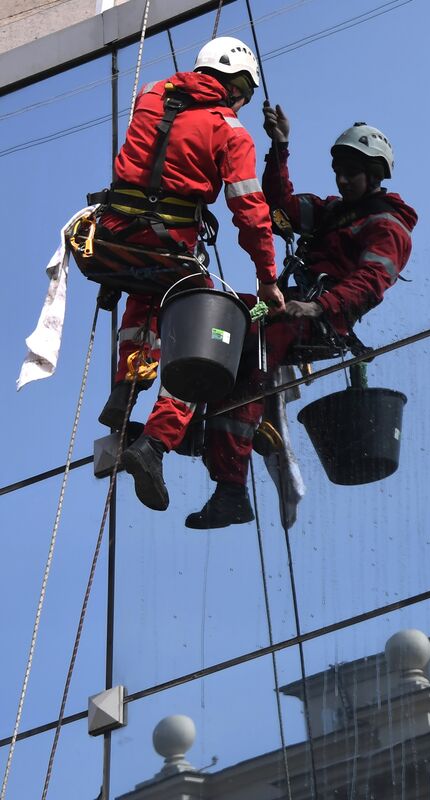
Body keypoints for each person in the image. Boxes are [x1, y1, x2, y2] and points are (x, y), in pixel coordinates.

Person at [177, 109, 417, 529]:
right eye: (338, 171)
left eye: (352, 173)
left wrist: (321, 306)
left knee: (253, 354)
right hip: (281, 305)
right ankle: (196, 434)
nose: (341, 180)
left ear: (375, 174)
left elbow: (372, 280)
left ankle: (228, 481)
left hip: (320, 318)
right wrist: (279, 147)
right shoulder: (331, 213)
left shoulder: (387, 226)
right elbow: (280, 207)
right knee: (228, 316)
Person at [105, 37, 284, 512]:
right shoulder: (230, 130)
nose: (242, 103)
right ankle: (156, 443)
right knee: (202, 338)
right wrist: (267, 278)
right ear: (237, 85)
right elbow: (249, 210)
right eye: (244, 93)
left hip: (116, 234)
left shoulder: (151, 95)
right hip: (171, 244)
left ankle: (127, 386)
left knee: (143, 305)